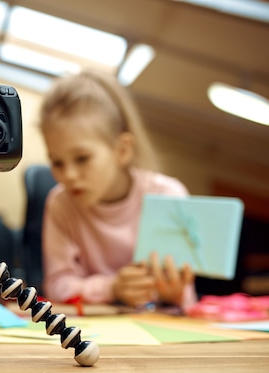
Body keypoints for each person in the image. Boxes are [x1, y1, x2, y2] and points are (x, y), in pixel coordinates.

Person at [38, 69, 197, 311]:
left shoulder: (168, 195)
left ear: (122, 150)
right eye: (57, 162)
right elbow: (58, 285)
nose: (68, 175)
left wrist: (173, 292)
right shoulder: (60, 203)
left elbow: (184, 295)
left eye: (82, 158)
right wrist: (112, 288)